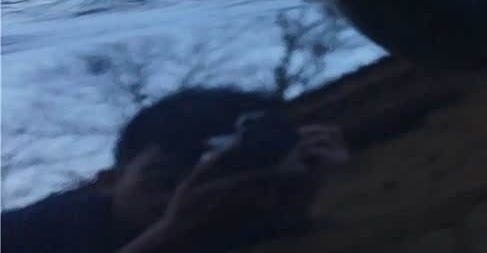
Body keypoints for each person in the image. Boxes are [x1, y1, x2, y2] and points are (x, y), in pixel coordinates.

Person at [1, 87, 347, 253]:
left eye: (214, 173)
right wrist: (169, 232)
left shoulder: (237, 210)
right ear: (108, 182)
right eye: (165, 181)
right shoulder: (25, 232)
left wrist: (299, 196)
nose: (188, 193)